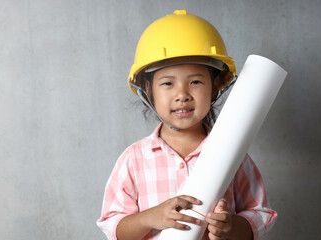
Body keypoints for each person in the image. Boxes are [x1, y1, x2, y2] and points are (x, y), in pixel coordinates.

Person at [97, 10, 277, 240]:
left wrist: (232, 228)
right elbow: (114, 227)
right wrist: (150, 217)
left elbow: (261, 214)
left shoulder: (234, 155)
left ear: (216, 86)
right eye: (168, 83)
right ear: (149, 91)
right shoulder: (133, 159)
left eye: (195, 81)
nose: (182, 94)